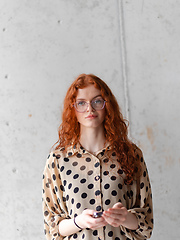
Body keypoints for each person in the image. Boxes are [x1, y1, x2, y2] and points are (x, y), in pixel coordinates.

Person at [42, 74, 153, 240]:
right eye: (81, 103)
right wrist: (79, 222)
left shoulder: (132, 154)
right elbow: (52, 228)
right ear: (72, 108)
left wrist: (124, 217)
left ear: (107, 105)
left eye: (97, 101)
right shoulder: (58, 160)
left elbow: (146, 224)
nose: (90, 109)